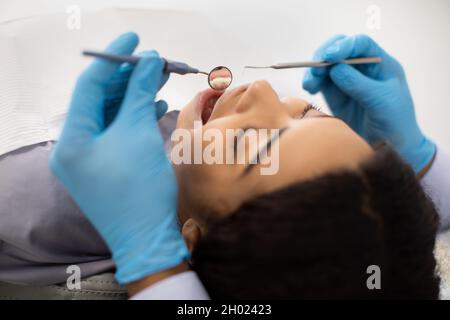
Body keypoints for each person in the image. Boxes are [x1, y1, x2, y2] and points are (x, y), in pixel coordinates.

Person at [49, 32, 450, 299]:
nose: (262, 90)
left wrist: (153, 268)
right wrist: (418, 158)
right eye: (309, 112)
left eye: (247, 143)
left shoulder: (41, 207)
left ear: (192, 244)